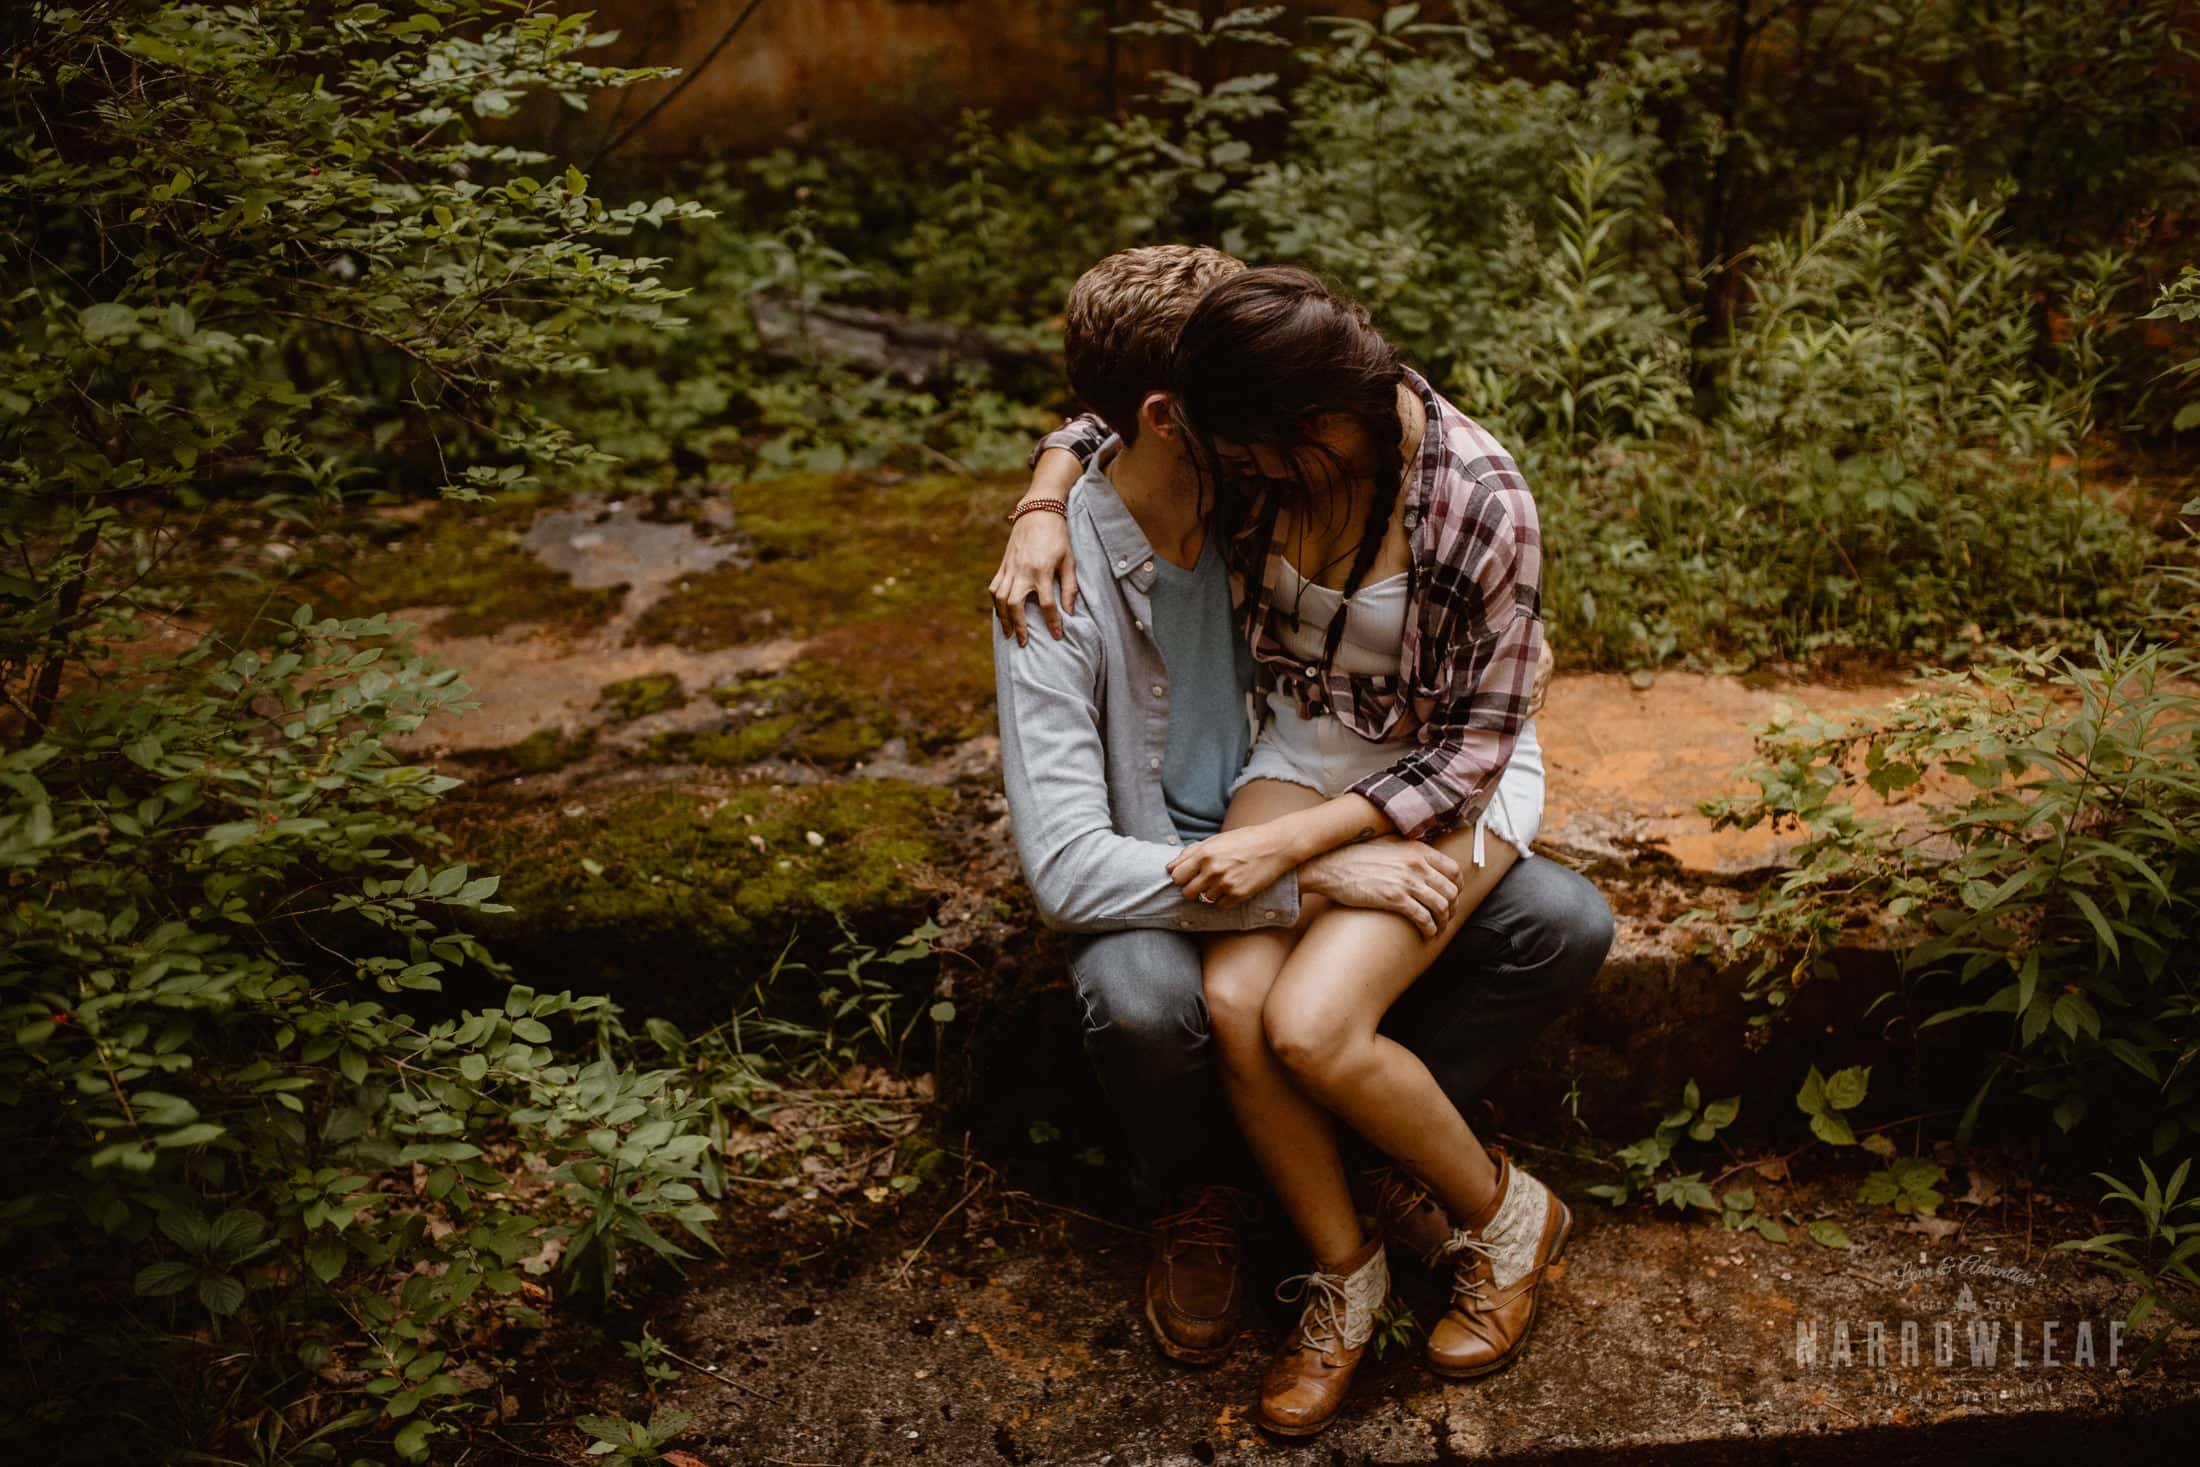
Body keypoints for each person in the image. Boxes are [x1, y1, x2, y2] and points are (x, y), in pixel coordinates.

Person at [989, 247, 1612, 1415]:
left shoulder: (1440, 485)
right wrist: (1042, 495)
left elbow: (1481, 741)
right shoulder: (1210, 471)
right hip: (1299, 752)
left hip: (1434, 771)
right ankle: (1343, 1269)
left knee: (1315, 1022)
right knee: (1221, 1003)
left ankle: (1499, 1212)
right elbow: (1111, 408)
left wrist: (1301, 850)